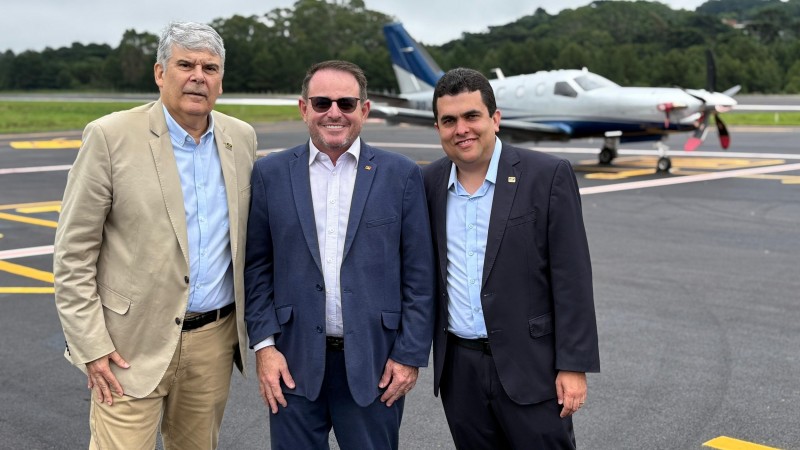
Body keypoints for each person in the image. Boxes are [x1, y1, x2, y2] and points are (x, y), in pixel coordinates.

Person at [53, 21, 257, 449]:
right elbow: (73, 253)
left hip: (212, 342)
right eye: (185, 64)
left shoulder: (242, 138)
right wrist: (91, 346)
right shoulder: (110, 136)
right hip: (128, 347)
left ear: (221, 79)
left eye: (210, 67)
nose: (198, 76)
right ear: (160, 73)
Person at [244, 60, 435, 450]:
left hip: (376, 366)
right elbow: (257, 268)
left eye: (346, 103)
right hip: (291, 364)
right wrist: (264, 348)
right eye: (322, 102)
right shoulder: (272, 173)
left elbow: (419, 276)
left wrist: (409, 356)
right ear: (304, 108)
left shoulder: (401, 175)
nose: (334, 113)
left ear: (364, 110)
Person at [423, 67, 601, 449]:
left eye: (472, 116)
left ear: (495, 119)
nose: (461, 129)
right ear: (437, 127)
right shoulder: (428, 183)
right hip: (460, 370)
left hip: (532, 367)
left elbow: (572, 278)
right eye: (449, 120)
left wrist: (573, 365)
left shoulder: (547, 175)